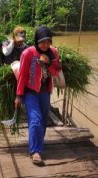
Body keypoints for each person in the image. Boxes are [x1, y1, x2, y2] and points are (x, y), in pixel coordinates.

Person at [15, 26, 61, 165]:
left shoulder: (53, 52)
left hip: (45, 92)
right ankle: (35, 151)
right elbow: (22, 76)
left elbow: (56, 72)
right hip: (30, 92)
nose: (45, 45)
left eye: (48, 41)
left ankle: (38, 144)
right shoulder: (28, 53)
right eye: (42, 42)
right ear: (36, 41)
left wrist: (48, 62)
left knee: (43, 121)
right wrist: (19, 95)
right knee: (35, 120)